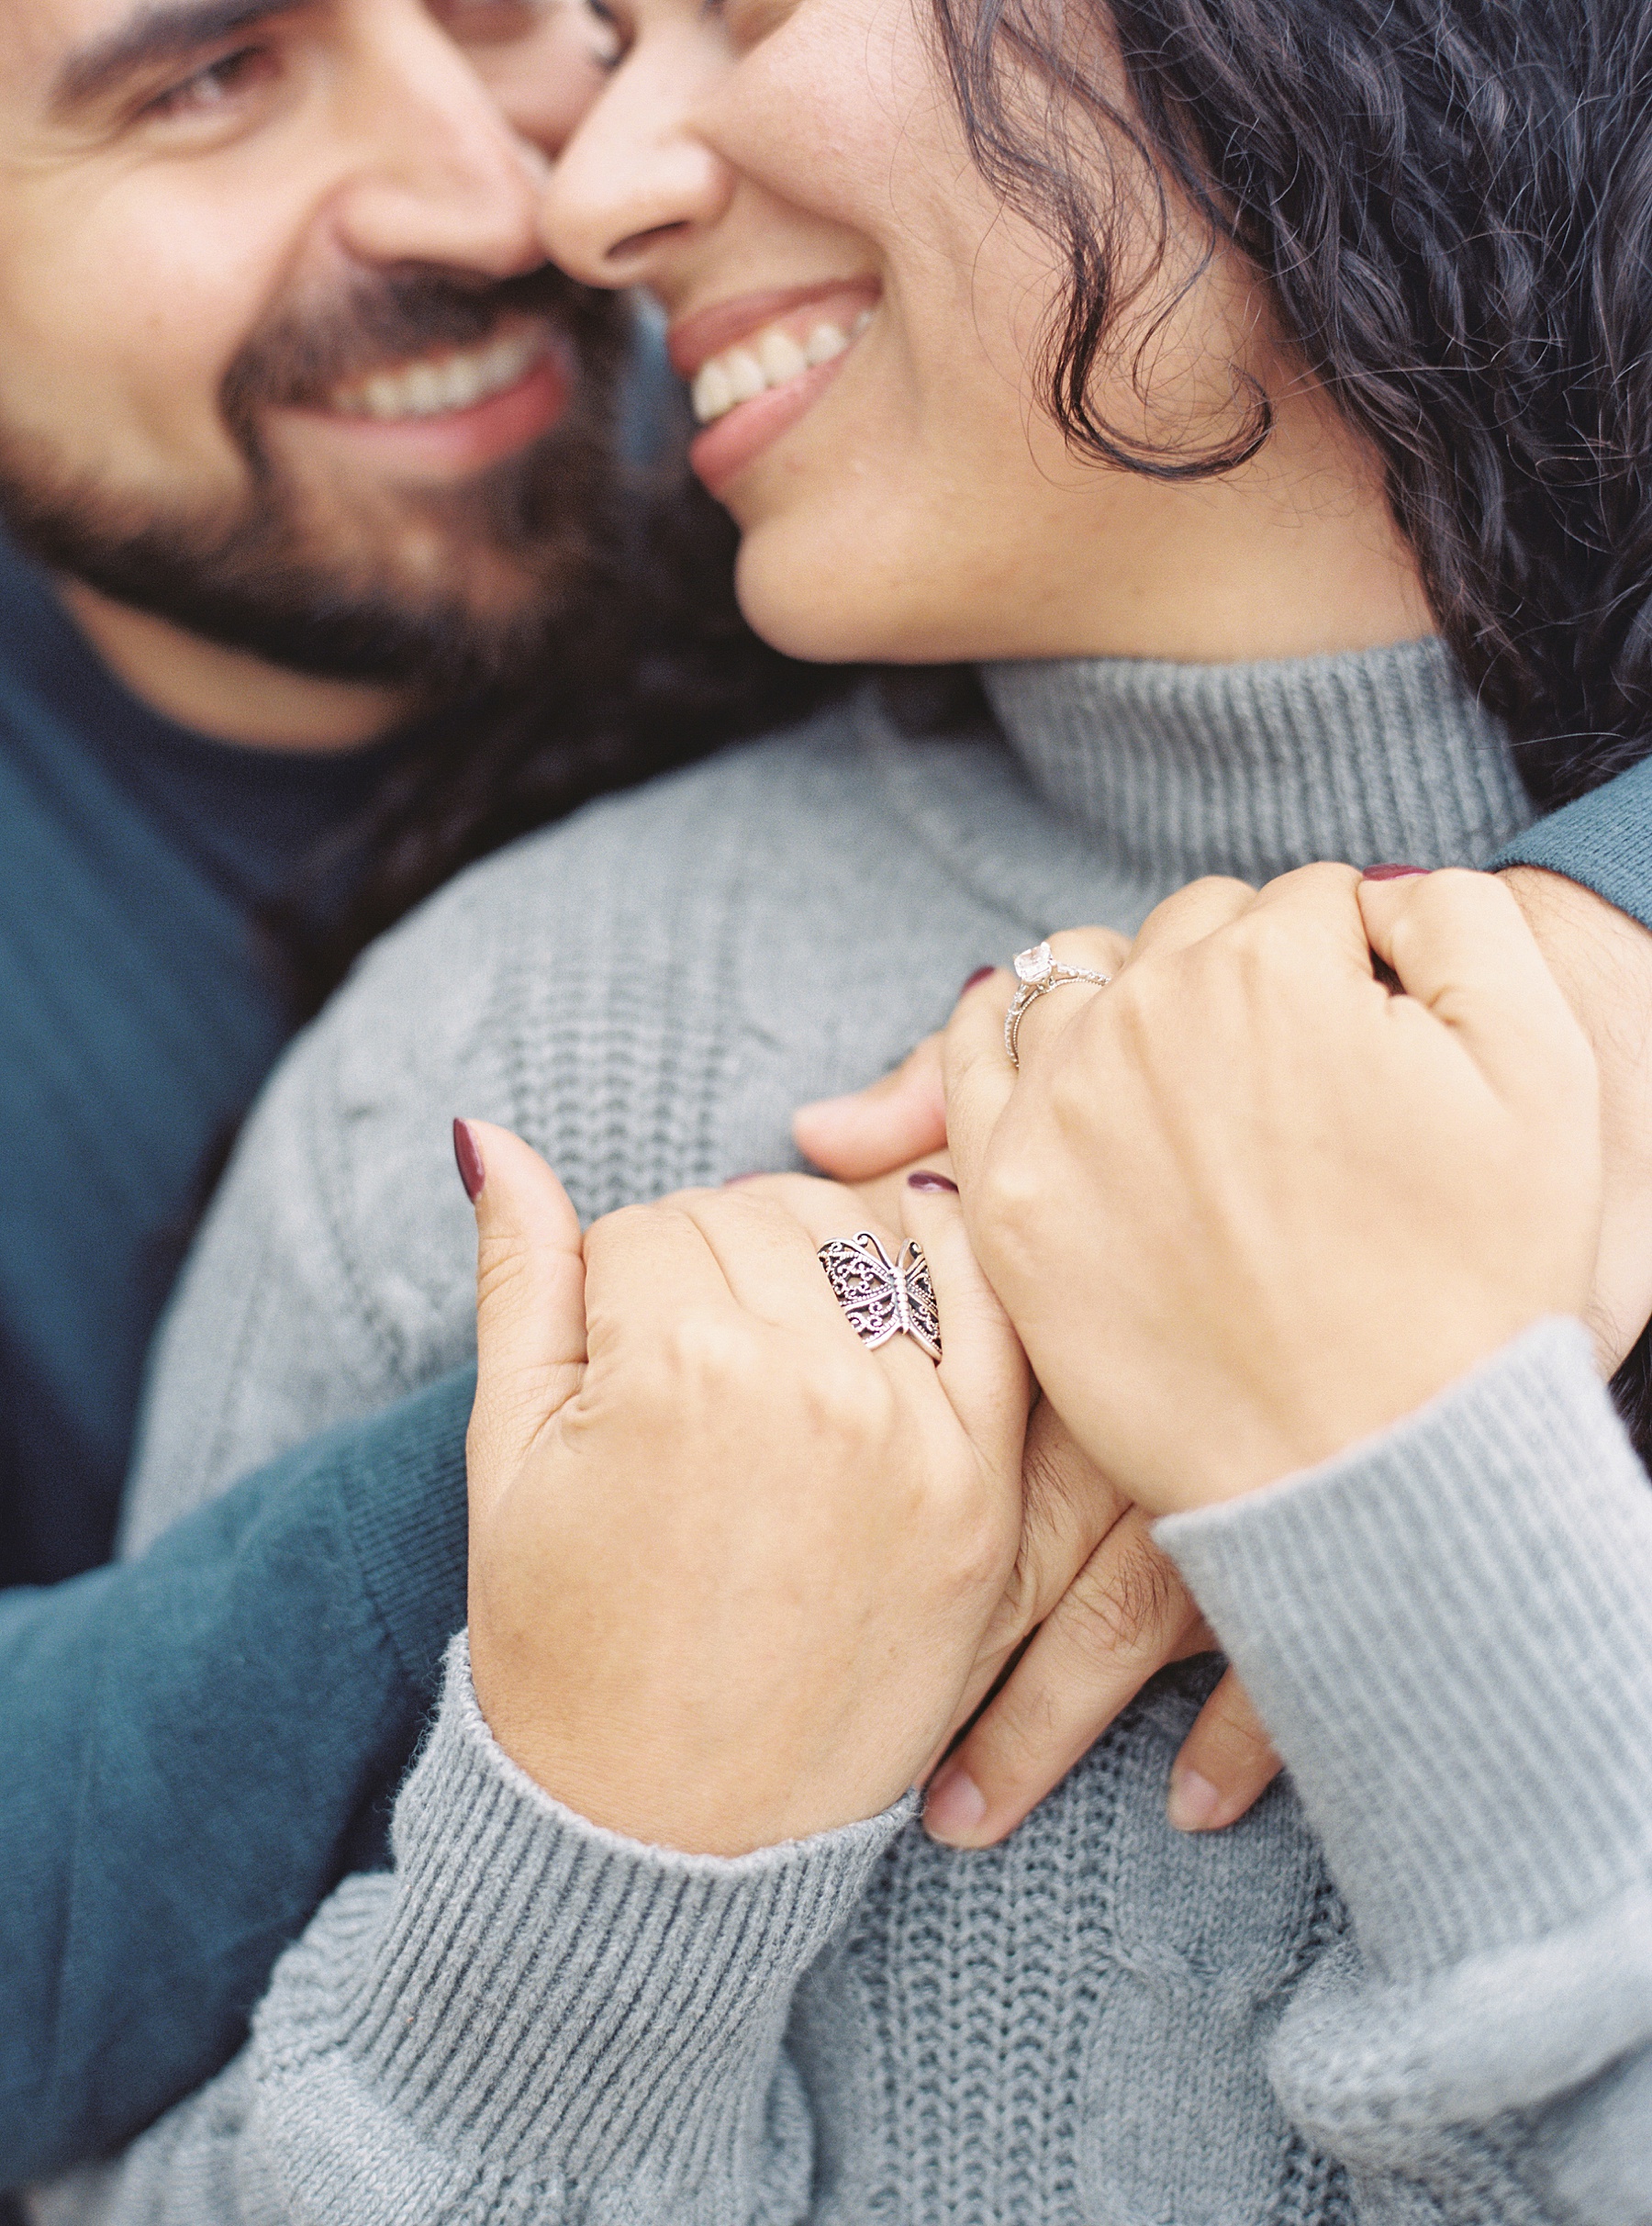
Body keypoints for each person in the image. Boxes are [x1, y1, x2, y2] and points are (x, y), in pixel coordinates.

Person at [25, 0, 1652, 2214]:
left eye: (723, 6)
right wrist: (594, 1899)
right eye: (204, 76)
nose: (572, 192)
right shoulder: (506, 1053)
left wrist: (1419, 1518)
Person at [0, 0, 832, 2187]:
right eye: (210, 78)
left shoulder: (833, 383)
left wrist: (1590, 938)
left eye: (502, 9)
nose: (504, 190)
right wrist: (632, 1437)